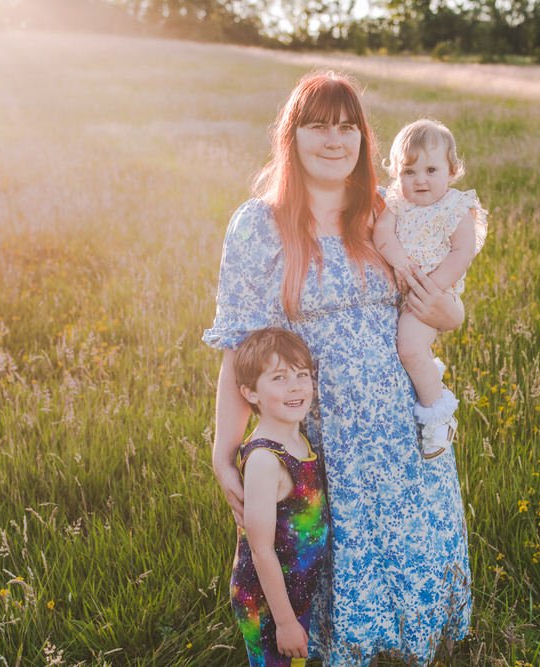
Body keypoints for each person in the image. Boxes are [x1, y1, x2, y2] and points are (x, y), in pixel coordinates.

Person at [204, 71, 471, 666]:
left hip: (401, 427)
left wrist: (452, 314)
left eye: (348, 127)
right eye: (319, 126)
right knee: (335, 560)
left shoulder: (384, 211)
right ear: (292, 136)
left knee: (414, 545)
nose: (335, 139)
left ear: (363, 139)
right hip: (321, 437)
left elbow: (441, 302)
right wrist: (225, 452)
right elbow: (238, 347)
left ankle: (417, 646)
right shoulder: (259, 225)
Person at [373, 119, 488, 459]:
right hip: (404, 289)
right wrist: (399, 262)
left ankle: (438, 416)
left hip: (431, 294)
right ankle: (428, 372)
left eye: (431, 170)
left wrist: (432, 287)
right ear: (396, 174)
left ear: (451, 171)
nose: (420, 180)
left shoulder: (455, 207)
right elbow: (383, 235)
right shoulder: (398, 202)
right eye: (409, 172)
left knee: (409, 347)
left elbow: (462, 252)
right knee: (409, 350)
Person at [230, 327, 329, 667]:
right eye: (279, 378)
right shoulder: (264, 460)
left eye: (302, 375)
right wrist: (285, 622)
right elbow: (260, 549)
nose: (296, 386)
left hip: (295, 589)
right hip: (266, 600)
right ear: (251, 392)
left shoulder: (299, 439)